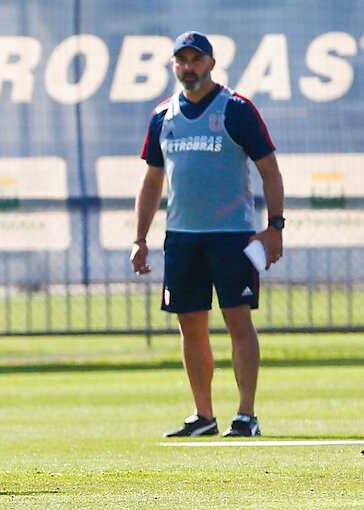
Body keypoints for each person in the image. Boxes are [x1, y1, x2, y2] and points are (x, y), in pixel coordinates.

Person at [131, 32, 285, 437]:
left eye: (196, 59)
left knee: (238, 320)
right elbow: (151, 181)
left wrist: (275, 227)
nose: (189, 67)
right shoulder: (163, 115)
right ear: (173, 66)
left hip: (233, 236)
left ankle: (246, 414)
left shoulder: (235, 109)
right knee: (190, 325)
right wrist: (140, 238)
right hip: (182, 237)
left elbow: (269, 169)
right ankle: (204, 416)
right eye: (181, 60)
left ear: (211, 64)